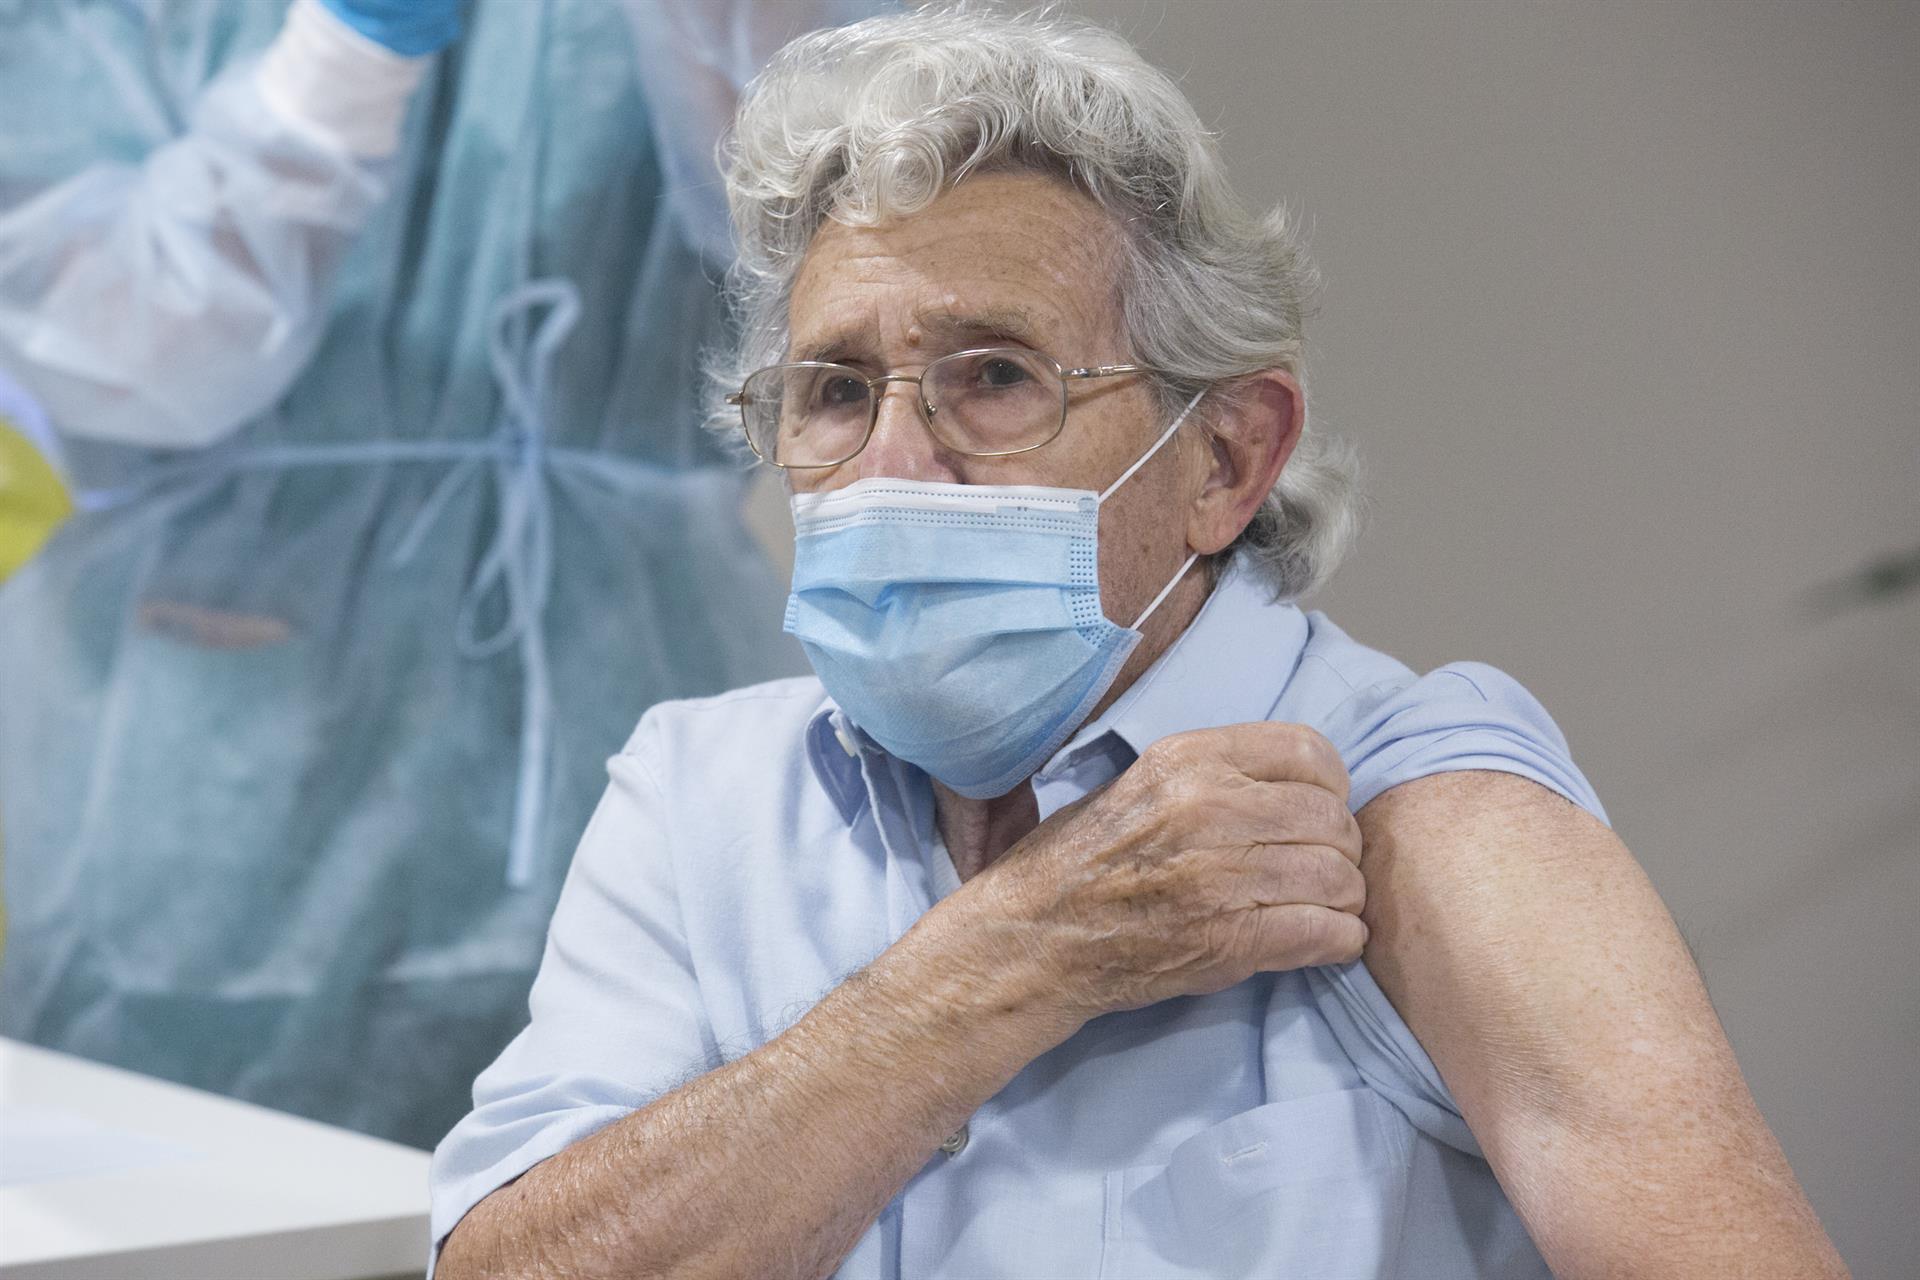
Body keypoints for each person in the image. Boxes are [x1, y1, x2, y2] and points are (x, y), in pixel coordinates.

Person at [427, 7, 1852, 1277]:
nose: (893, 465)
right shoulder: (700, 796)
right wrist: (1025, 952)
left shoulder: (1416, 809)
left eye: (994, 377)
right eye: (835, 391)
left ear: (1227, 459)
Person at [0, 0, 884, 1150]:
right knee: (198, 1196)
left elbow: (845, 253)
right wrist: (344, 49)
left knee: (640, 1167)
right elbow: (110, 348)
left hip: (630, 669)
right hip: (217, 772)